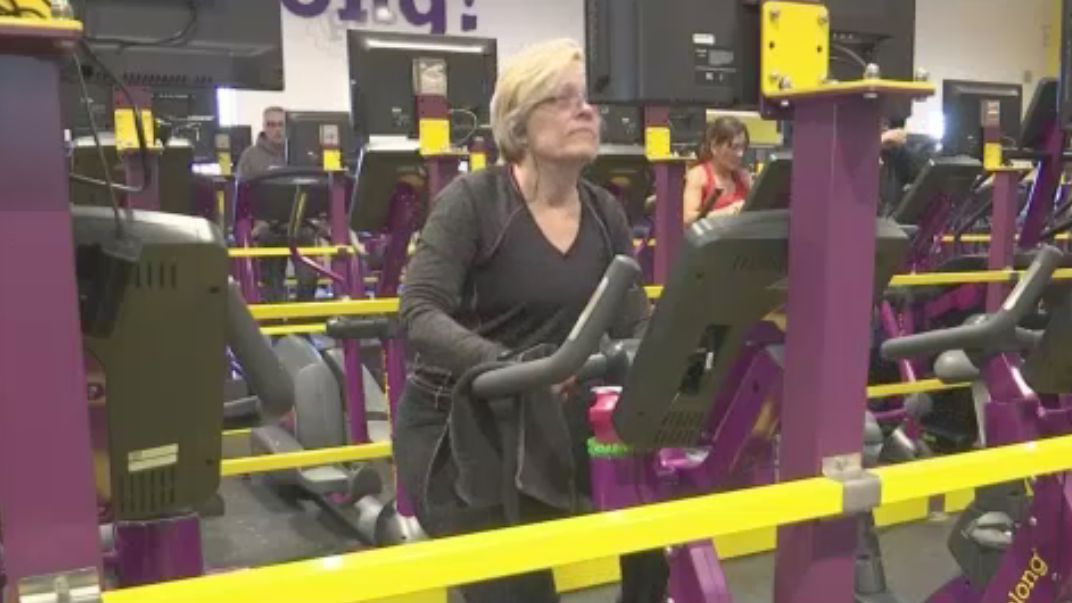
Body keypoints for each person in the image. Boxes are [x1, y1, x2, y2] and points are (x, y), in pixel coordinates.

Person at [394, 39, 668, 603]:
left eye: (587, 99)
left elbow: (633, 321)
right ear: (519, 123)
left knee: (657, 546)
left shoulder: (604, 211)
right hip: (462, 431)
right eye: (563, 99)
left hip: (551, 425)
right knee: (518, 591)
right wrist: (516, 366)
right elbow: (418, 314)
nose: (586, 110)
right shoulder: (473, 202)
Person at [236, 106, 319, 302]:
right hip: (267, 229)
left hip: (301, 226)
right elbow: (240, 196)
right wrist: (253, 226)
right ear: (264, 127)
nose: (277, 130)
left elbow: (317, 189)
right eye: (271, 125)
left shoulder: (302, 156)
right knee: (272, 284)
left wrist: (319, 222)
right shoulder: (250, 157)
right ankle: (277, 330)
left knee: (309, 279)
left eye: (281, 125)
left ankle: (303, 325)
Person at [683, 116, 753, 224]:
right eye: (734, 147)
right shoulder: (698, 175)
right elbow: (687, 218)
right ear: (714, 146)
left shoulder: (744, 177)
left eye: (743, 147)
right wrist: (727, 212)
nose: (740, 154)